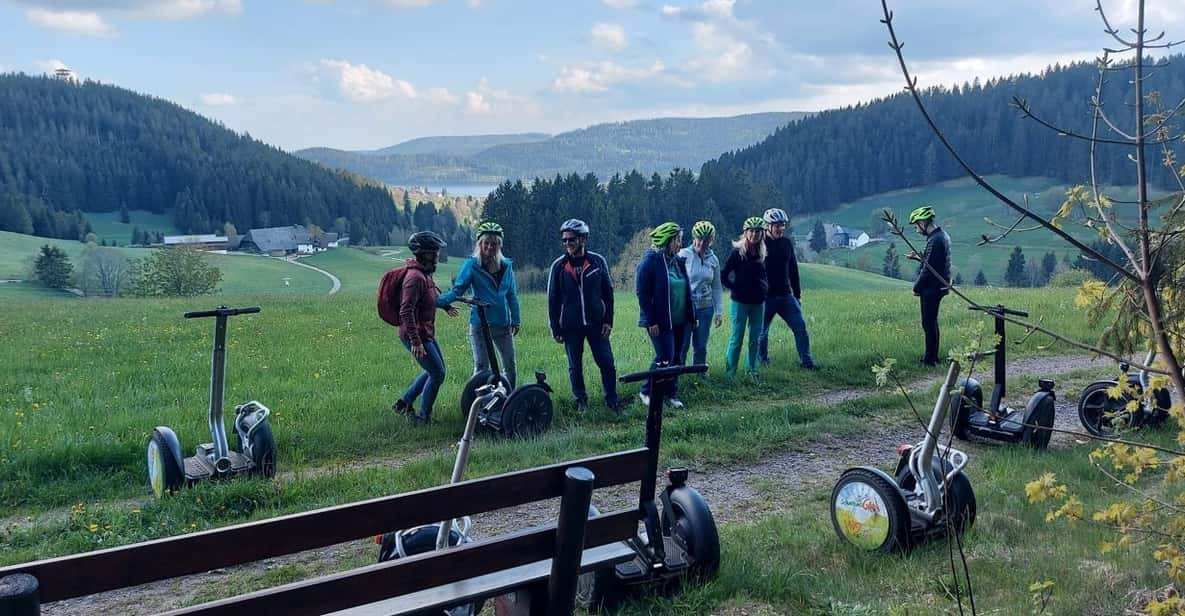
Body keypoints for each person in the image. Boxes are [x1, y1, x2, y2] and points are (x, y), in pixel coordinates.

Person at [547, 219, 624, 414]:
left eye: (571, 239)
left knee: (607, 363)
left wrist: (609, 321)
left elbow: (608, 292)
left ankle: (612, 401)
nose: (567, 244)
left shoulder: (598, 261)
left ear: (583, 239)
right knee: (575, 366)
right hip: (570, 326)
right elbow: (553, 299)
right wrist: (555, 328)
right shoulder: (558, 266)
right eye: (563, 240)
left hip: (597, 323)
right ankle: (581, 401)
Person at [438, 221, 521, 387]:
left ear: (500, 245)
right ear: (480, 244)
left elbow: (512, 295)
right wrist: (437, 302)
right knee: (482, 368)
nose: (490, 247)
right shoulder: (472, 265)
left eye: (494, 243)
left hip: (502, 325)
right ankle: (476, 404)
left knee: (510, 366)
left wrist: (516, 319)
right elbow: (458, 290)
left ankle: (508, 401)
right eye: (486, 243)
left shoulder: (506, 266)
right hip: (480, 325)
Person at [393, 231, 458, 424]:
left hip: (425, 332)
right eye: (435, 252)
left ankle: (403, 403)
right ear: (424, 254)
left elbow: (428, 299)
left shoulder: (425, 274)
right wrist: (416, 341)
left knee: (436, 371)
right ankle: (423, 417)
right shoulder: (415, 278)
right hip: (416, 334)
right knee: (438, 374)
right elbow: (406, 311)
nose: (438, 255)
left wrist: (444, 305)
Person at [636, 222, 696, 409]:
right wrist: (651, 320)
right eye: (677, 240)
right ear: (666, 241)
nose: (680, 244)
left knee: (676, 358)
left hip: (679, 320)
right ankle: (646, 391)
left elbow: (687, 291)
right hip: (659, 322)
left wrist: (692, 316)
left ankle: (671, 394)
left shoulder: (677, 261)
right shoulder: (650, 261)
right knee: (664, 356)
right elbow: (642, 294)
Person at [758, 208, 816, 369]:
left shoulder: (786, 244)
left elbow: (793, 270)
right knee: (761, 333)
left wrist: (797, 295)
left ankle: (807, 361)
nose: (781, 228)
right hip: (765, 298)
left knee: (800, 327)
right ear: (768, 226)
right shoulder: (759, 244)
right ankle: (762, 362)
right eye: (777, 225)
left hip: (785, 296)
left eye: (783, 225)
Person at [721, 217, 769, 378]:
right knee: (737, 338)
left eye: (758, 231)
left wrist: (765, 289)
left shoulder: (762, 252)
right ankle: (730, 374)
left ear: (762, 233)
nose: (754, 234)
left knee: (755, 339)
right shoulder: (737, 253)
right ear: (745, 233)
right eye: (751, 231)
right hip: (740, 302)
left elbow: (764, 275)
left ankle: (752, 372)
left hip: (758, 303)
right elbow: (723, 275)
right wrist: (736, 288)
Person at [906, 205, 951, 367]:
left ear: (924, 222)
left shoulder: (935, 239)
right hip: (939, 286)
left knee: (928, 323)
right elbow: (933, 262)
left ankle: (930, 360)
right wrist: (919, 258)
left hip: (932, 288)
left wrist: (916, 287)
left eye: (916, 225)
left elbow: (928, 271)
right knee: (932, 322)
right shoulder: (941, 235)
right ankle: (932, 357)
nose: (916, 230)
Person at [677, 220, 724, 367]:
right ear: (694, 238)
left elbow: (716, 287)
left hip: (705, 308)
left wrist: (719, 311)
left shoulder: (713, 260)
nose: (702, 243)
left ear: (711, 241)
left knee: (701, 346)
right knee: (682, 345)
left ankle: (698, 374)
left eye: (706, 240)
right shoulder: (683, 255)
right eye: (699, 239)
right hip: (686, 308)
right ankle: (677, 374)